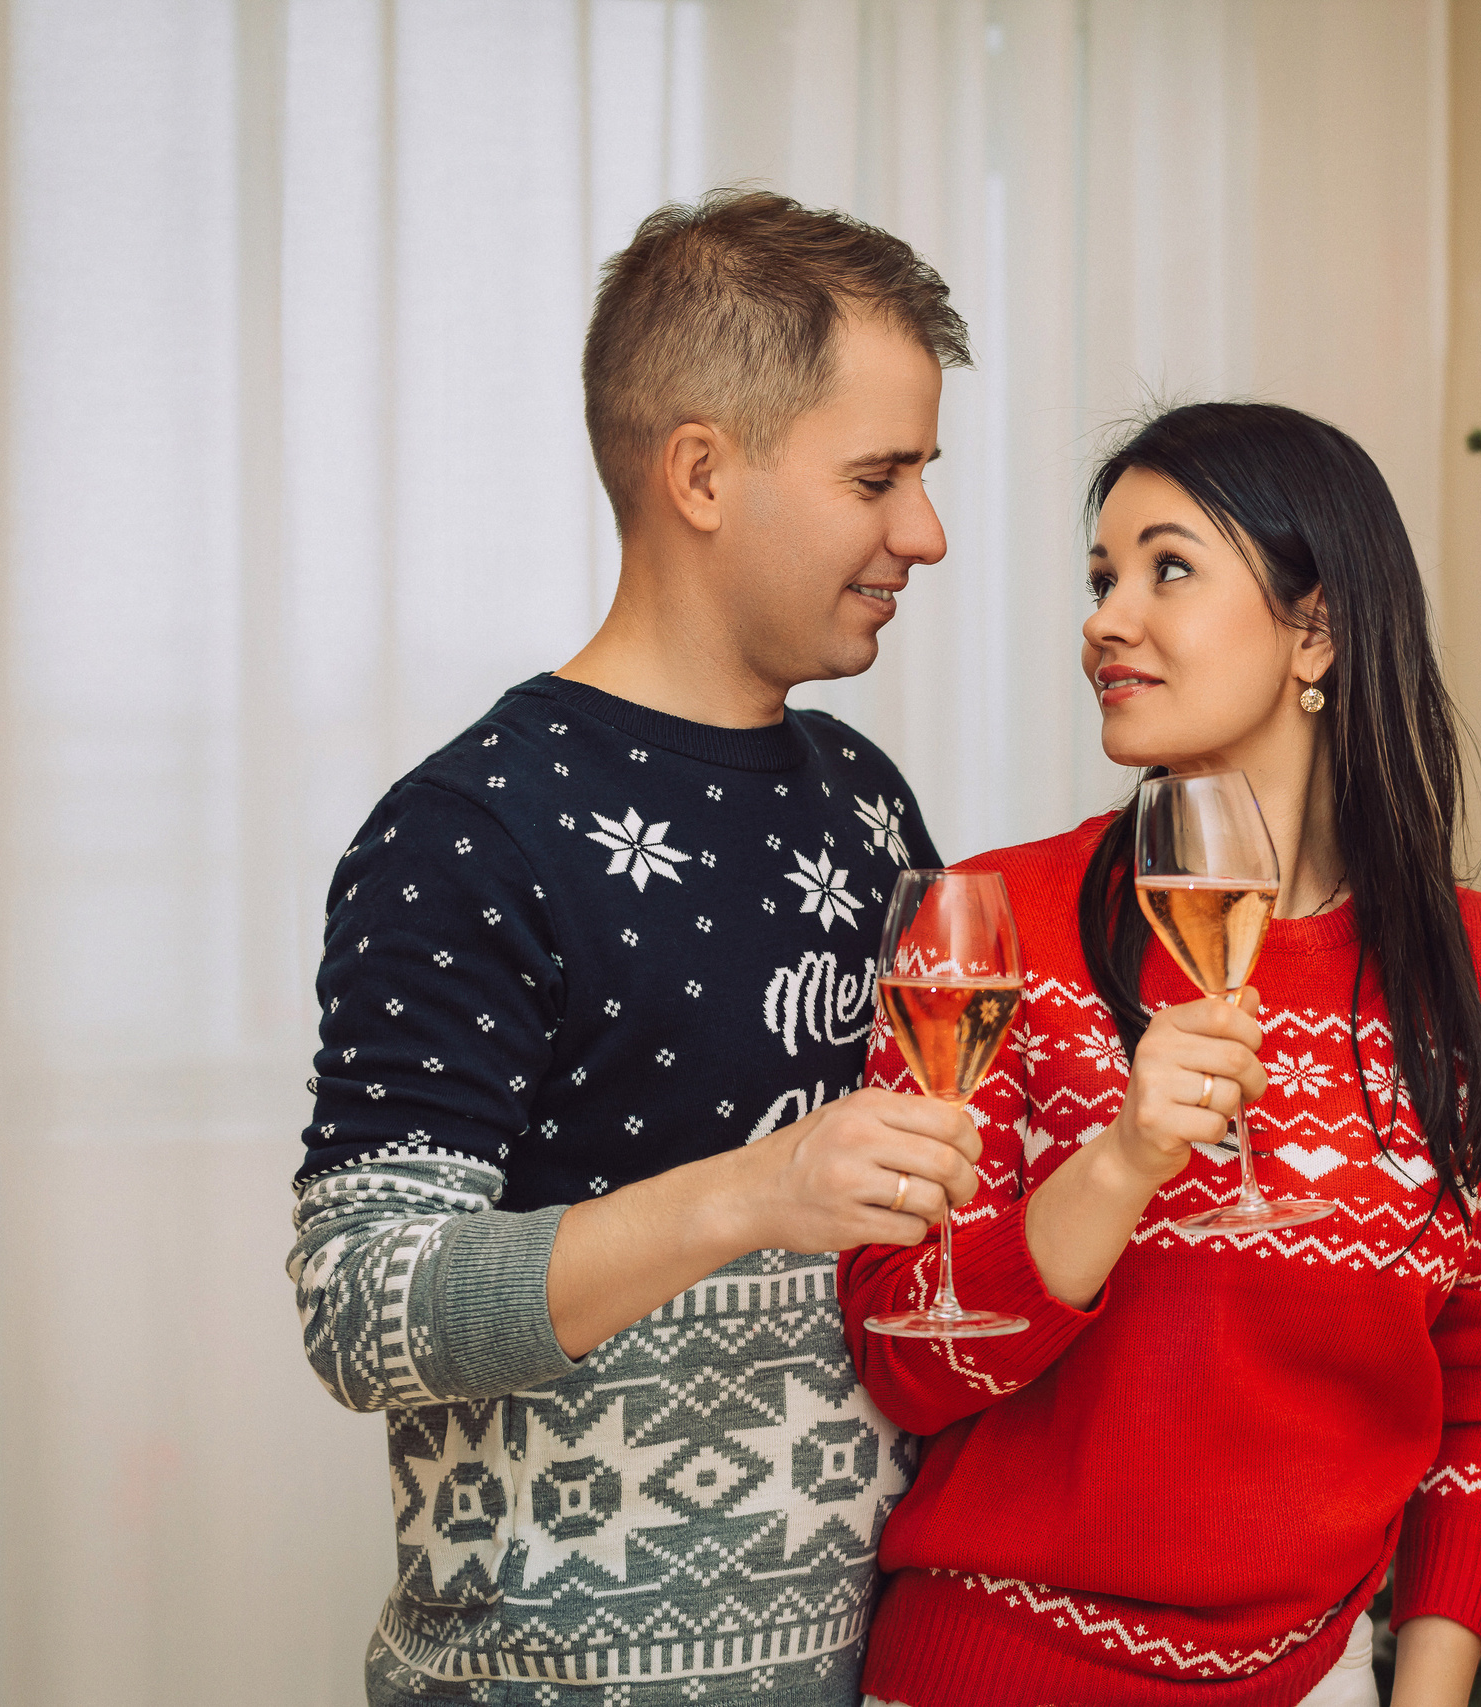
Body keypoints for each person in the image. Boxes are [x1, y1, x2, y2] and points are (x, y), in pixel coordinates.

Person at [288, 189, 987, 1706]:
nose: (925, 533)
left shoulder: (867, 801)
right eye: (880, 477)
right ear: (700, 475)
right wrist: (754, 1192)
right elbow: (365, 1309)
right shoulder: (470, 833)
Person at [840, 403, 1481, 1707]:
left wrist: (1427, 1697)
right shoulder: (994, 920)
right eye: (1102, 578)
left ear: (1319, 630)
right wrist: (1122, 1163)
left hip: (1320, 1680)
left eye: (1167, 568)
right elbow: (905, 1351)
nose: (1108, 618)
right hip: (998, 1671)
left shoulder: (1479, 968)